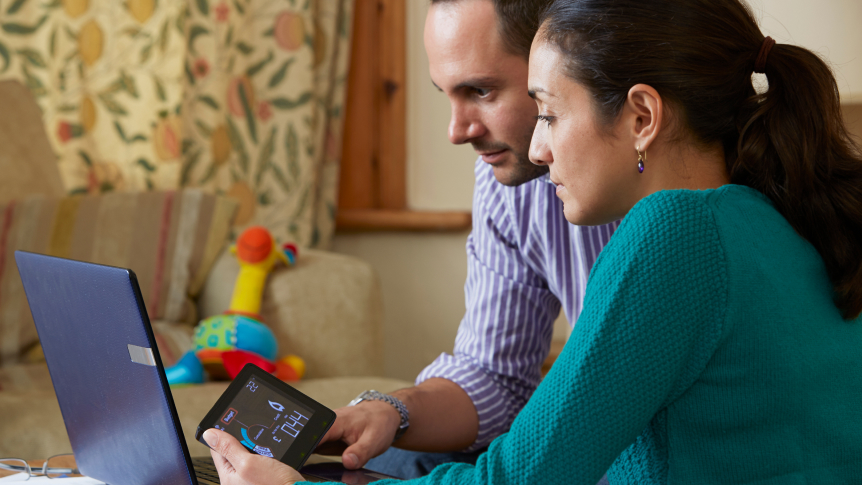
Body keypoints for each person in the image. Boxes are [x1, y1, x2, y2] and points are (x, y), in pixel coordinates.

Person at [202, 0, 862, 482]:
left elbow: (521, 479)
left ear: (641, 116)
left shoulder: (676, 230)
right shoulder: (776, 210)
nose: (539, 147)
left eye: (548, 110)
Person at [316, 0, 619, 479]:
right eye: (446, 94)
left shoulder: (685, 214)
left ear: (563, 59)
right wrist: (391, 409)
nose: (457, 131)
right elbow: (496, 376)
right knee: (389, 456)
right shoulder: (511, 183)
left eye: (481, 90)